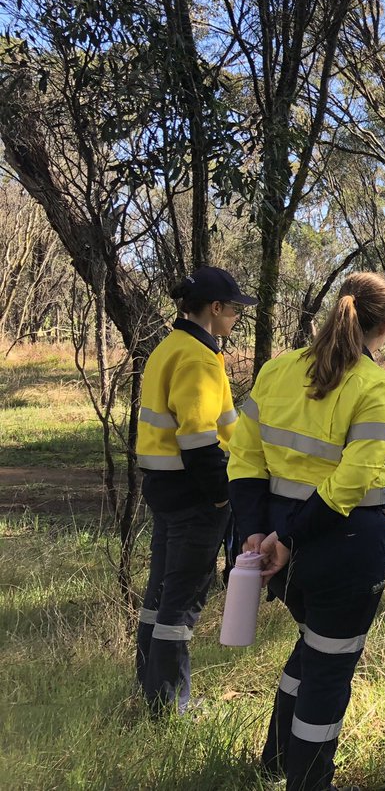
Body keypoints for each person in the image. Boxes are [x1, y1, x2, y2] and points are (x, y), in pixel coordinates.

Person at [227, 272, 385, 791]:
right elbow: (349, 484)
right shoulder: (375, 386)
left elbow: (244, 458)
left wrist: (257, 533)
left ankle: (276, 761)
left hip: (282, 547)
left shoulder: (277, 369)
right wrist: (286, 539)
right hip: (340, 549)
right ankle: (308, 782)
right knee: (329, 671)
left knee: (313, 647)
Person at [136, 266, 257, 715]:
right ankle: (171, 706)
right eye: (234, 310)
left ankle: (151, 690)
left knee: (160, 593)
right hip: (194, 495)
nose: (237, 317)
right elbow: (200, 441)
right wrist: (223, 495)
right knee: (181, 601)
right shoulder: (198, 358)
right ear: (215, 308)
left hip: (165, 489)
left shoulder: (170, 347)